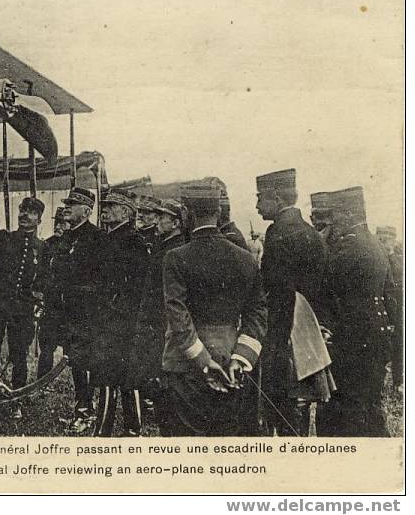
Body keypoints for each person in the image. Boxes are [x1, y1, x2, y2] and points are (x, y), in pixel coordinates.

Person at [158, 183, 267, 436]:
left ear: (186, 213)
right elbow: (258, 313)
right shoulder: (246, 258)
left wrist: (203, 361)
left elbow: (178, 315)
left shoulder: (175, 257)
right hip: (232, 361)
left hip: (185, 363)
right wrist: (241, 358)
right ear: (218, 212)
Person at [255, 168, 328, 436]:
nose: (257, 204)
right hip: (308, 335)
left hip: (282, 336)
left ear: (276, 196)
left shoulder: (279, 234)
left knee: (282, 407)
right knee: (300, 404)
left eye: (261, 197)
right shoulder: (312, 234)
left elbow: (272, 291)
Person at [316, 187, 394, 436]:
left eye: (336, 215)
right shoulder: (374, 243)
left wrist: (321, 241)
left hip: (353, 341)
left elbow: (323, 277)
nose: (332, 221)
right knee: (369, 408)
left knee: (347, 412)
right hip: (373, 338)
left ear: (348, 214)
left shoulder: (349, 246)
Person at [0, 196, 46, 419]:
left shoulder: (42, 248)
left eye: (32, 212)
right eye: (23, 210)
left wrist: (38, 300)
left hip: (22, 309)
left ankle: (16, 401)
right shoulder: (5, 239)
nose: (25, 215)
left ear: (39, 219)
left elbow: (43, 279)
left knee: (19, 355)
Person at [89, 189, 149, 436]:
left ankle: (126, 431)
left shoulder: (133, 242)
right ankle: (113, 429)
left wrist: (115, 308)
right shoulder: (108, 238)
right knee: (107, 377)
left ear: (125, 212)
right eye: (105, 206)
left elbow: (136, 288)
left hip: (121, 323)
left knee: (123, 379)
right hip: (106, 320)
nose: (104, 210)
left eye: (111, 206)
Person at [52, 187, 105, 433]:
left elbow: (100, 278)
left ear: (86, 210)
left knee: (86, 362)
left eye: (72, 205)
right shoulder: (67, 237)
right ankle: (82, 408)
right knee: (74, 362)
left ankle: (87, 412)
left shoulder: (97, 238)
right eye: (67, 204)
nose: (66, 208)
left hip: (87, 313)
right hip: (68, 312)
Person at [135, 198, 187, 432]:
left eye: (162, 217)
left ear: (175, 222)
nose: (157, 221)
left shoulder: (175, 249)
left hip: (163, 322)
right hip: (156, 321)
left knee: (164, 376)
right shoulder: (164, 244)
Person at [35, 207, 71, 380]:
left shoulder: (74, 245)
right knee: (47, 347)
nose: (59, 226)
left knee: (72, 350)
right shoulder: (47, 244)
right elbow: (40, 274)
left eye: (63, 223)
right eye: (57, 222)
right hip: (51, 305)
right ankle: (42, 383)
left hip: (69, 307)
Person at [376, 225, 403, 392]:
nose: (383, 241)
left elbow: (400, 276)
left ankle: (398, 380)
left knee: (399, 343)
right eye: (381, 237)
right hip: (380, 304)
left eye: (387, 238)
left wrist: (391, 253)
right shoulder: (375, 253)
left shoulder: (398, 257)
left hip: (397, 306)